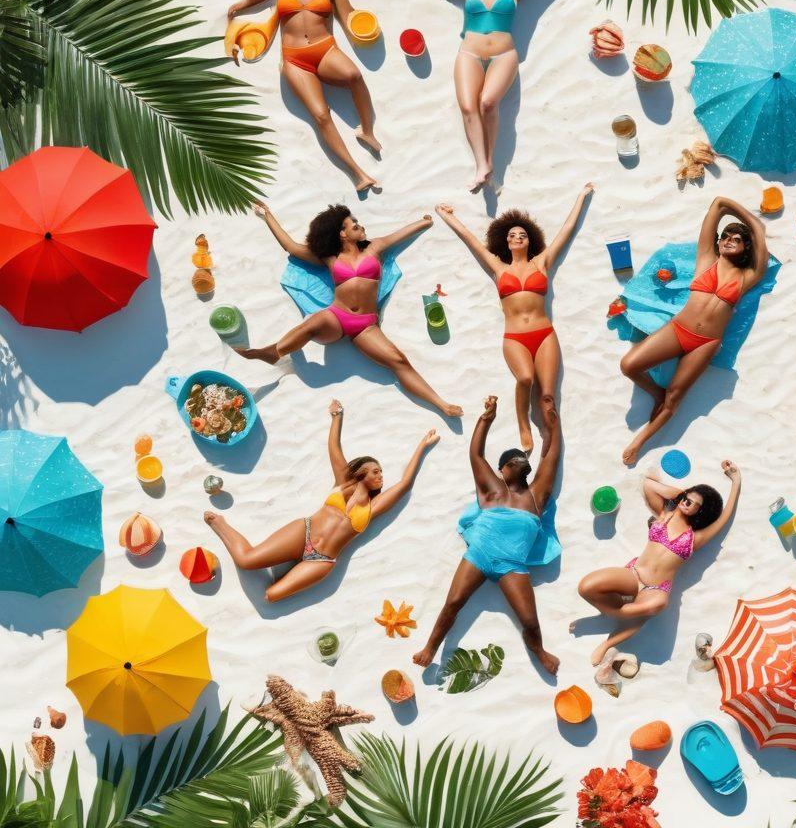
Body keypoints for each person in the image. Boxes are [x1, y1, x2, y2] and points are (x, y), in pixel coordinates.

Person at [236, 203, 463, 417]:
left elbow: (399, 235)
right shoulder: (330, 258)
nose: (360, 226)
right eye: (354, 224)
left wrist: (424, 222)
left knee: (399, 361)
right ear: (342, 234)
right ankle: (274, 352)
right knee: (316, 322)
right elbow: (291, 247)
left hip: (365, 326)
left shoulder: (374, 248)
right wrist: (267, 215)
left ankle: (442, 405)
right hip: (337, 316)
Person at [205, 400, 438, 602]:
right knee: (247, 561)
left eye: (381, 473)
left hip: (322, 560)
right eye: (375, 471)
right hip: (303, 533)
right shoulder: (343, 482)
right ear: (361, 472)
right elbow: (334, 448)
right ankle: (220, 524)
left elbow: (405, 483)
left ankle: (288, 567)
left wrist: (422, 446)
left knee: (271, 596)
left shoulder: (372, 508)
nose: (381, 476)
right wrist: (337, 417)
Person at [434, 183, 593, 453]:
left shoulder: (541, 263)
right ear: (506, 242)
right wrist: (445, 214)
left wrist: (581, 197)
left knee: (547, 397)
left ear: (529, 240)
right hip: (515, 337)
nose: (517, 237)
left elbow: (565, 231)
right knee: (525, 379)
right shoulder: (498, 267)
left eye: (522, 235)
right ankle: (523, 423)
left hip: (544, 335)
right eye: (512, 235)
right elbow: (470, 239)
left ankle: (550, 440)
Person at [413, 396, 562, 674]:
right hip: (479, 555)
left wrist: (554, 427)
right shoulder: (492, 489)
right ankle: (431, 647)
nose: (517, 459)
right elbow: (476, 455)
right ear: (502, 470)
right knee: (454, 602)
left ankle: (540, 651)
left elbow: (551, 456)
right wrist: (487, 418)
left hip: (512, 566)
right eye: (510, 460)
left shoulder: (537, 494)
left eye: (520, 458)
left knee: (529, 621)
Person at [227, 0, 382, 192]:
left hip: (324, 50)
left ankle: (368, 131)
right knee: (321, 115)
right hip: (295, 58)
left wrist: (366, 27)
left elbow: (350, 18)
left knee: (354, 76)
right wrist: (240, 6)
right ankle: (358, 174)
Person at [619, 197, 768, 465]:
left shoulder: (748, 276)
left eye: (737, 238)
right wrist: (741, 216)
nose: (729, 239)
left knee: (675, 398)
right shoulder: (706, 258)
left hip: (706, 343)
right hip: (679, 329)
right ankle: (656, 393)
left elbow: (758, 230)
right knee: (629, 365)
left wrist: (752, 223)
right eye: (726, 236)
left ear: (746, 247)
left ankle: (638, 443)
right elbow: (718, 204)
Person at [572, 460, 742, 666]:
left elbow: (724, 518)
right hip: (633, 575)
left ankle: (609, 643)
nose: (688, 503)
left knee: (658, 604)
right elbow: (648, 484)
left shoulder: (694, 538)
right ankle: (618, 612)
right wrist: (679, 492)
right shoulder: (663, 515)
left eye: (694, 504)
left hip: (655, 589)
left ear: (701, 512)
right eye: (688, 499)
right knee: (585, 587)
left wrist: (736, 481)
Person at [426, 0, 555, 190]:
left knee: (487, 103)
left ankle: (490, 157)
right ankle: (482, 164)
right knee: (467, 107)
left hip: (503, 54)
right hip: (469, 52)